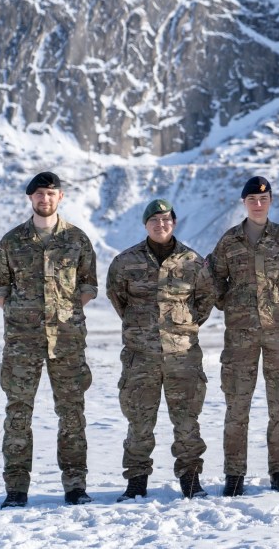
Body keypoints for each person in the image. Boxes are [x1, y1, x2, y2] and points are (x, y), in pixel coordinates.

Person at [0, 171, 97, 508]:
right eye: (38, 194)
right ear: (30, 199)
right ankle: (16, 489)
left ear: (60, 197)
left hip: (66, 342)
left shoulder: (77, 240)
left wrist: (61, 314)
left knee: (72, 413)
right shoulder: (12, 241)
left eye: (50, 194)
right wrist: (25, 314)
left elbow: (88, 286)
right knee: (18, 413)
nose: (44, 199)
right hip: (23, 343)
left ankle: (75, 486)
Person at [106, 199, 215, 501]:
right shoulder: (125, 262)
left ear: (174, 222)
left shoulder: (193, 261)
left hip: (183, 356)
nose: (161, 224)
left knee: (187, 421)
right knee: (139, 421)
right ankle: (137, 481)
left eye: (166, 219)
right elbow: (118, 299)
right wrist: (143, 329)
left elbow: (205, 299)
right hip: (140, 357)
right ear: (145, 225)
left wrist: (182, 327)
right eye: (154, 220)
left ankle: (191, 480)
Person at [208, 177, 279, 496]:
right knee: (237, 405)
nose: (258, 203)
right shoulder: (229, 240)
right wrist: (230, 302)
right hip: (240, 336)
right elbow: (212, 276)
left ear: (270, 201)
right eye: (252, 198)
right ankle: (234, 474)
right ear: (244, 203)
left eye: (263, 199)